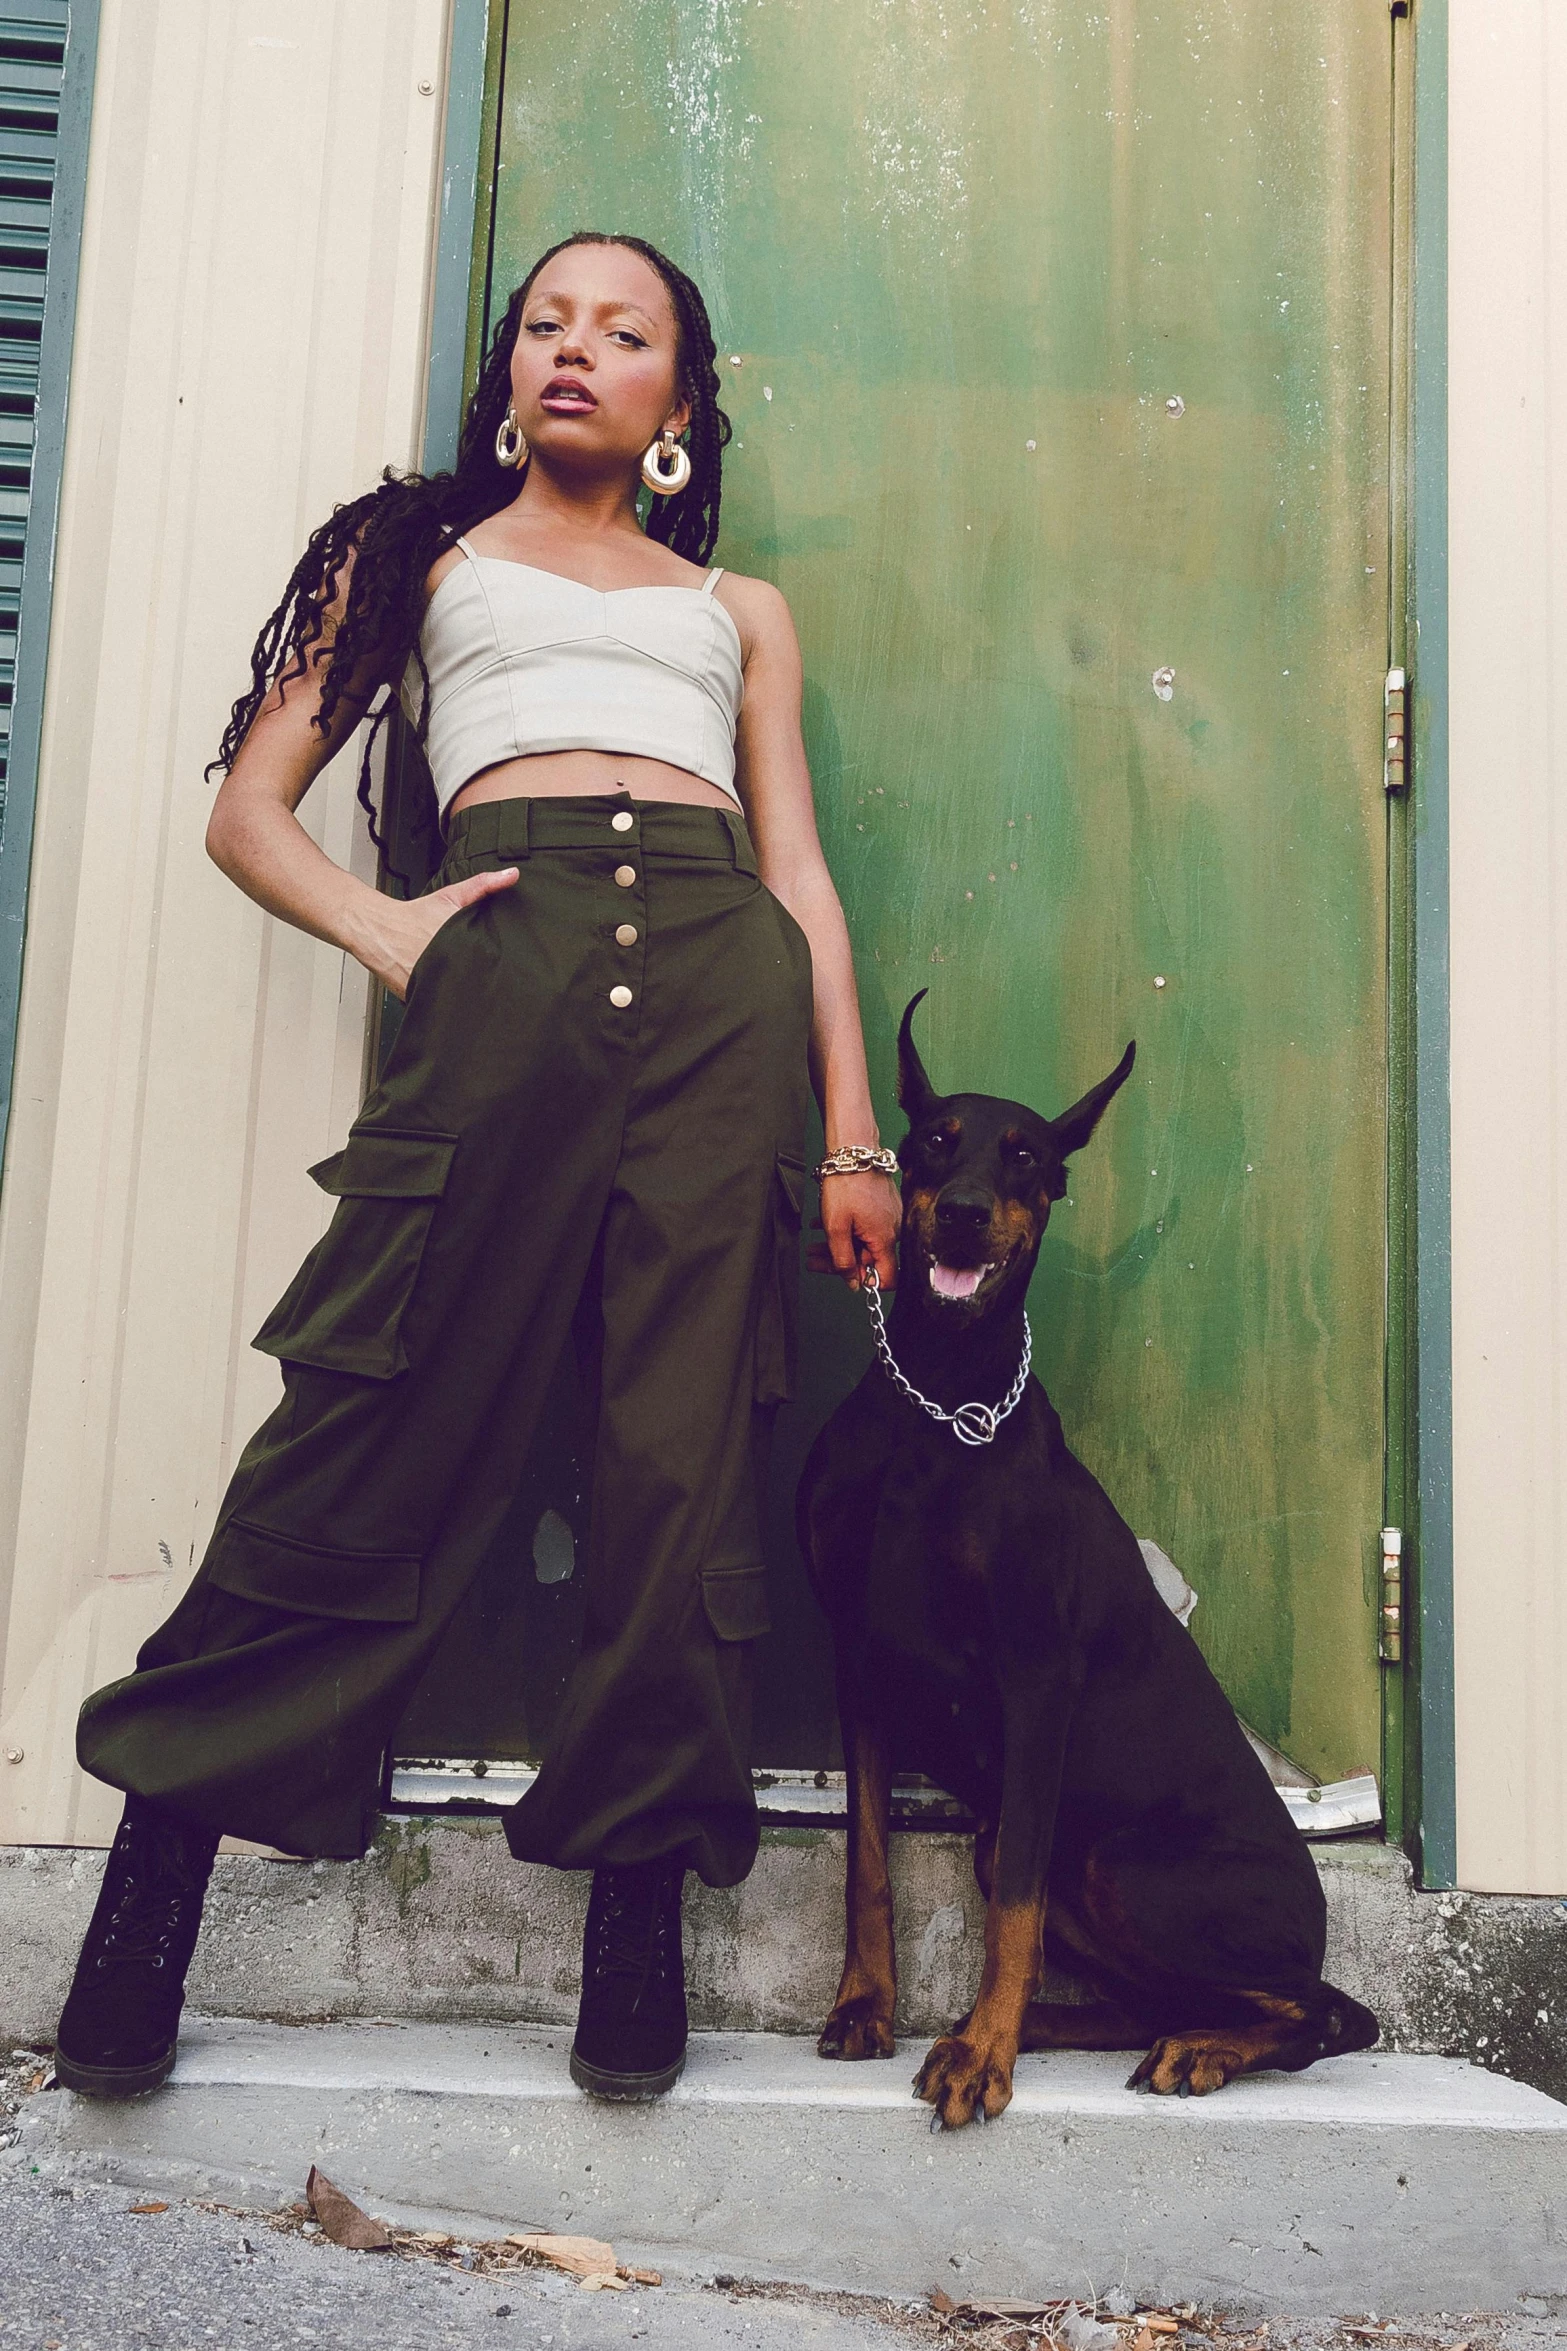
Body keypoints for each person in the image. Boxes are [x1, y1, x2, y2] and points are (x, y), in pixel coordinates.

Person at [53, 232, 900, 2106]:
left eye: (626, 333)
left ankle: (628, 1921)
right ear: (506, 369)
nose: (576, 352)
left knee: (679, 1457)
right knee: (371, 1419)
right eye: (545, 326)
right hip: (499, 985)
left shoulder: (733, 606)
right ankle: (152, 1890)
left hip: (717, 998)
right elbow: (247, 814)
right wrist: (404, 933)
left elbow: (802, 878)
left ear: (682, 400)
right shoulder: (412, 558)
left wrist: (851, 1132)